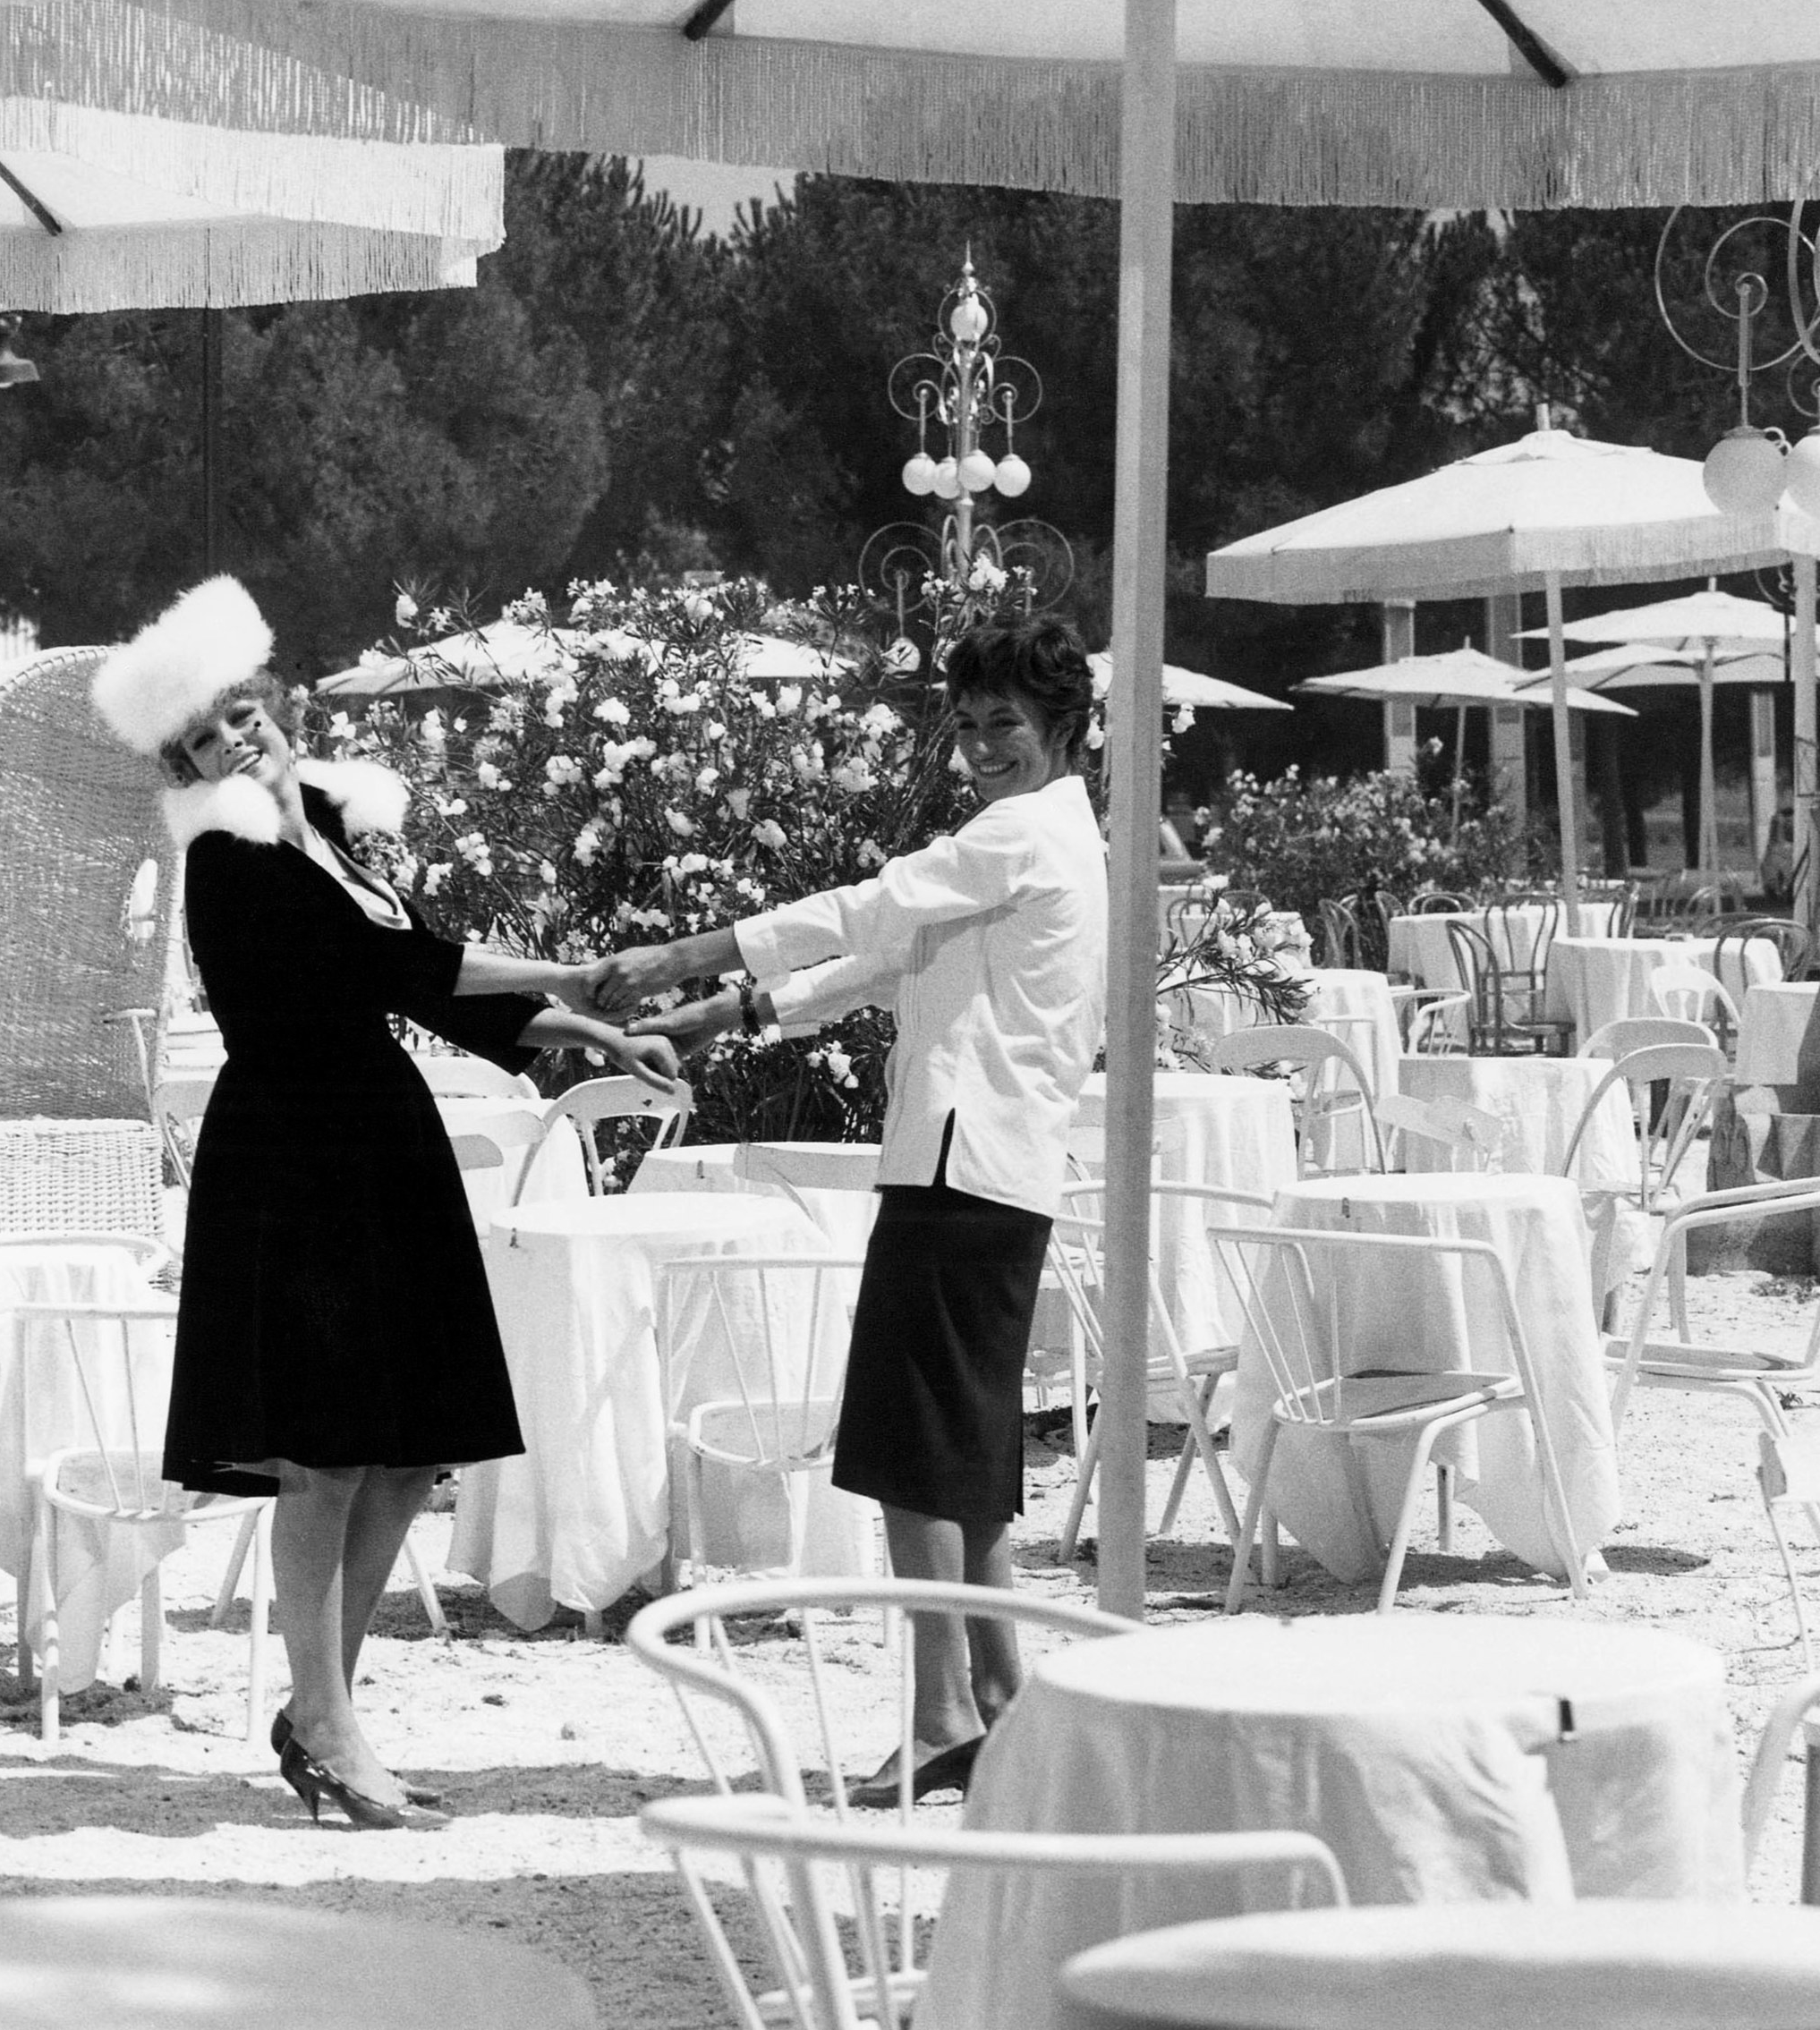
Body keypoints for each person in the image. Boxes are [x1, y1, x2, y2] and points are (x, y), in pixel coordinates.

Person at [94, 576, 681, 1832]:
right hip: (297, 1158)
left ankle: (326, 1708)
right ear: (184, 763)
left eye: (240, 713)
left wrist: (585, 1026)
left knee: (410, 1449)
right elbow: (384, 965)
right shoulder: (227, 859)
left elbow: (424, 958)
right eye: (203, 736)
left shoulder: (321, 818)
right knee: (327, 1453)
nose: (233, 740)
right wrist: (574, 968)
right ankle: (326, 1714)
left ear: (273, 700)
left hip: (377, 1141)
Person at [592, 616, 1107, 1807]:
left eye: (1005, 726)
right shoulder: (1059, 837)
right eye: (968, 725)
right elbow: (891, 958)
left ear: (1063, 728)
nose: (981, 746)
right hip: (992, 1169)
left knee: (914, 1456)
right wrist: (736, 1009)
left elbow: (872, 911)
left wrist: (684, 956)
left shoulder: (1021, 833)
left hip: (957, 1164)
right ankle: (1002, 1700)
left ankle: (938, 1716)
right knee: (962, 1456)